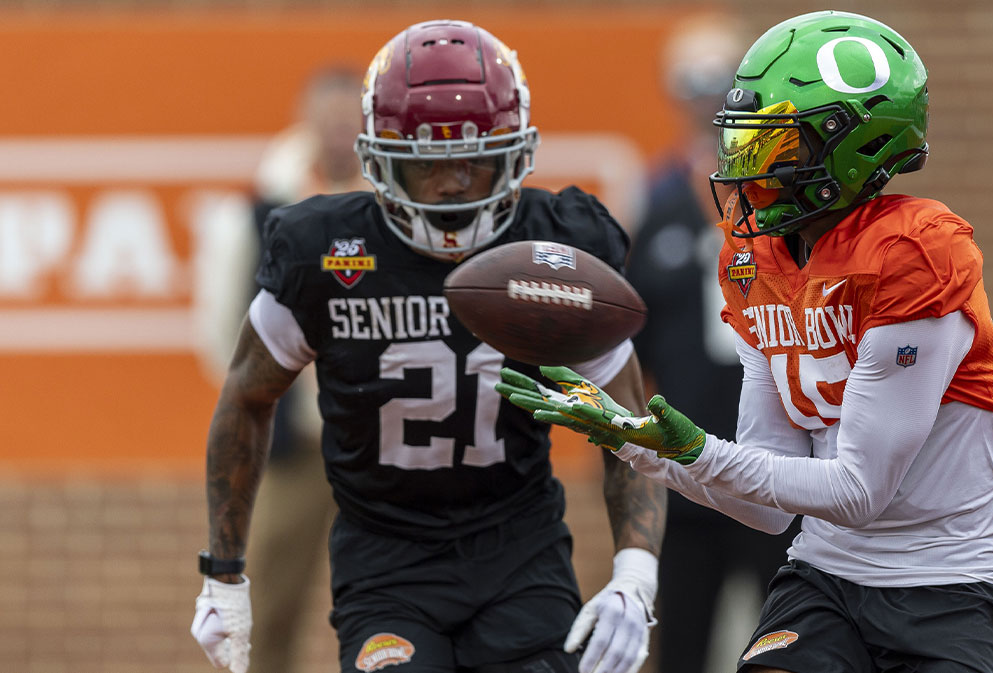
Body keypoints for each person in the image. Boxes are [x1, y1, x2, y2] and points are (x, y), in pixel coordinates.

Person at [497, 10, 993, 673]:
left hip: (951, 588)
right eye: (745, 139)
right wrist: (640, 443)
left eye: (774, 143)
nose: (744, 164)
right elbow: (761, 507)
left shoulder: (911, 250)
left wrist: (694, 449)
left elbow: (857, 490)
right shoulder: (755, 257)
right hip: (826, 579)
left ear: (847, 145)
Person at [189, 19, 666, 673]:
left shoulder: (554, 245)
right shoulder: (322, 250)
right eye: (429, 162)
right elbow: (246, 396)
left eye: (474, 157)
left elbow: (628, 425)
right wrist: (223, 571)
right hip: (387, 558)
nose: (454, 183)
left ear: (514, 151)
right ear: (382, 160)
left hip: (519, 547)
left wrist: (635, 573)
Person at [625, 14, 799, 673]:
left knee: (790, 641)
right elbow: (632, 334)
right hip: (691, 461)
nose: (706, 98)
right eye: (691, 82)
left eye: (720, 81)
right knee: (682, 644)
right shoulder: (655, 196)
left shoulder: (790, 195)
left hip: (779, 463)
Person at [193, 66, 367, 673]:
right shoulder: (263, 210)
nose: (340, 129)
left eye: (353, 116)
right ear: (307, 118)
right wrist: (263, 399)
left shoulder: (396, 209)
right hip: (296, 445)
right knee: (269, 603)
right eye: (330, 114)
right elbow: (222, 329)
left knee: (394, 594)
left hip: (378, 442)